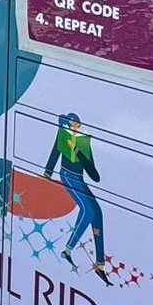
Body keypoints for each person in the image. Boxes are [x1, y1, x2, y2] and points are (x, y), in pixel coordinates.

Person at [44, 113, 109, 285]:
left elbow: (94, 175)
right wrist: (47, 174)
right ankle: (68, 249)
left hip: (79, 178)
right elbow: (54, 154)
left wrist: (78, 151)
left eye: (77, 125)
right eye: (72, 125)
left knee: (98, 213)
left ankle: (100, 264)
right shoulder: (62, 135)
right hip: (67, 175)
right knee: (88, 210)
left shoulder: (83, 142)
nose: (74, 128)